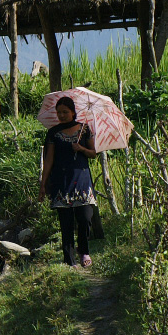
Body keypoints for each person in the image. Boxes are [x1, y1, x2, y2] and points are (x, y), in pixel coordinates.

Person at [39, 96, 97, 268]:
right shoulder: (53, 133)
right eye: (59, 112)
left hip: (82, 180)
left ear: (73, 112)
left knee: (85, 218)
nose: (62, 115)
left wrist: (81, 149)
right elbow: (49, 159)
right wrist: (43, 184)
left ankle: (84, 250)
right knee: (66, 223)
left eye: (65, 112)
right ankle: (69, 260)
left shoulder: (84, 129)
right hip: (61, 181)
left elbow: (93, 153)